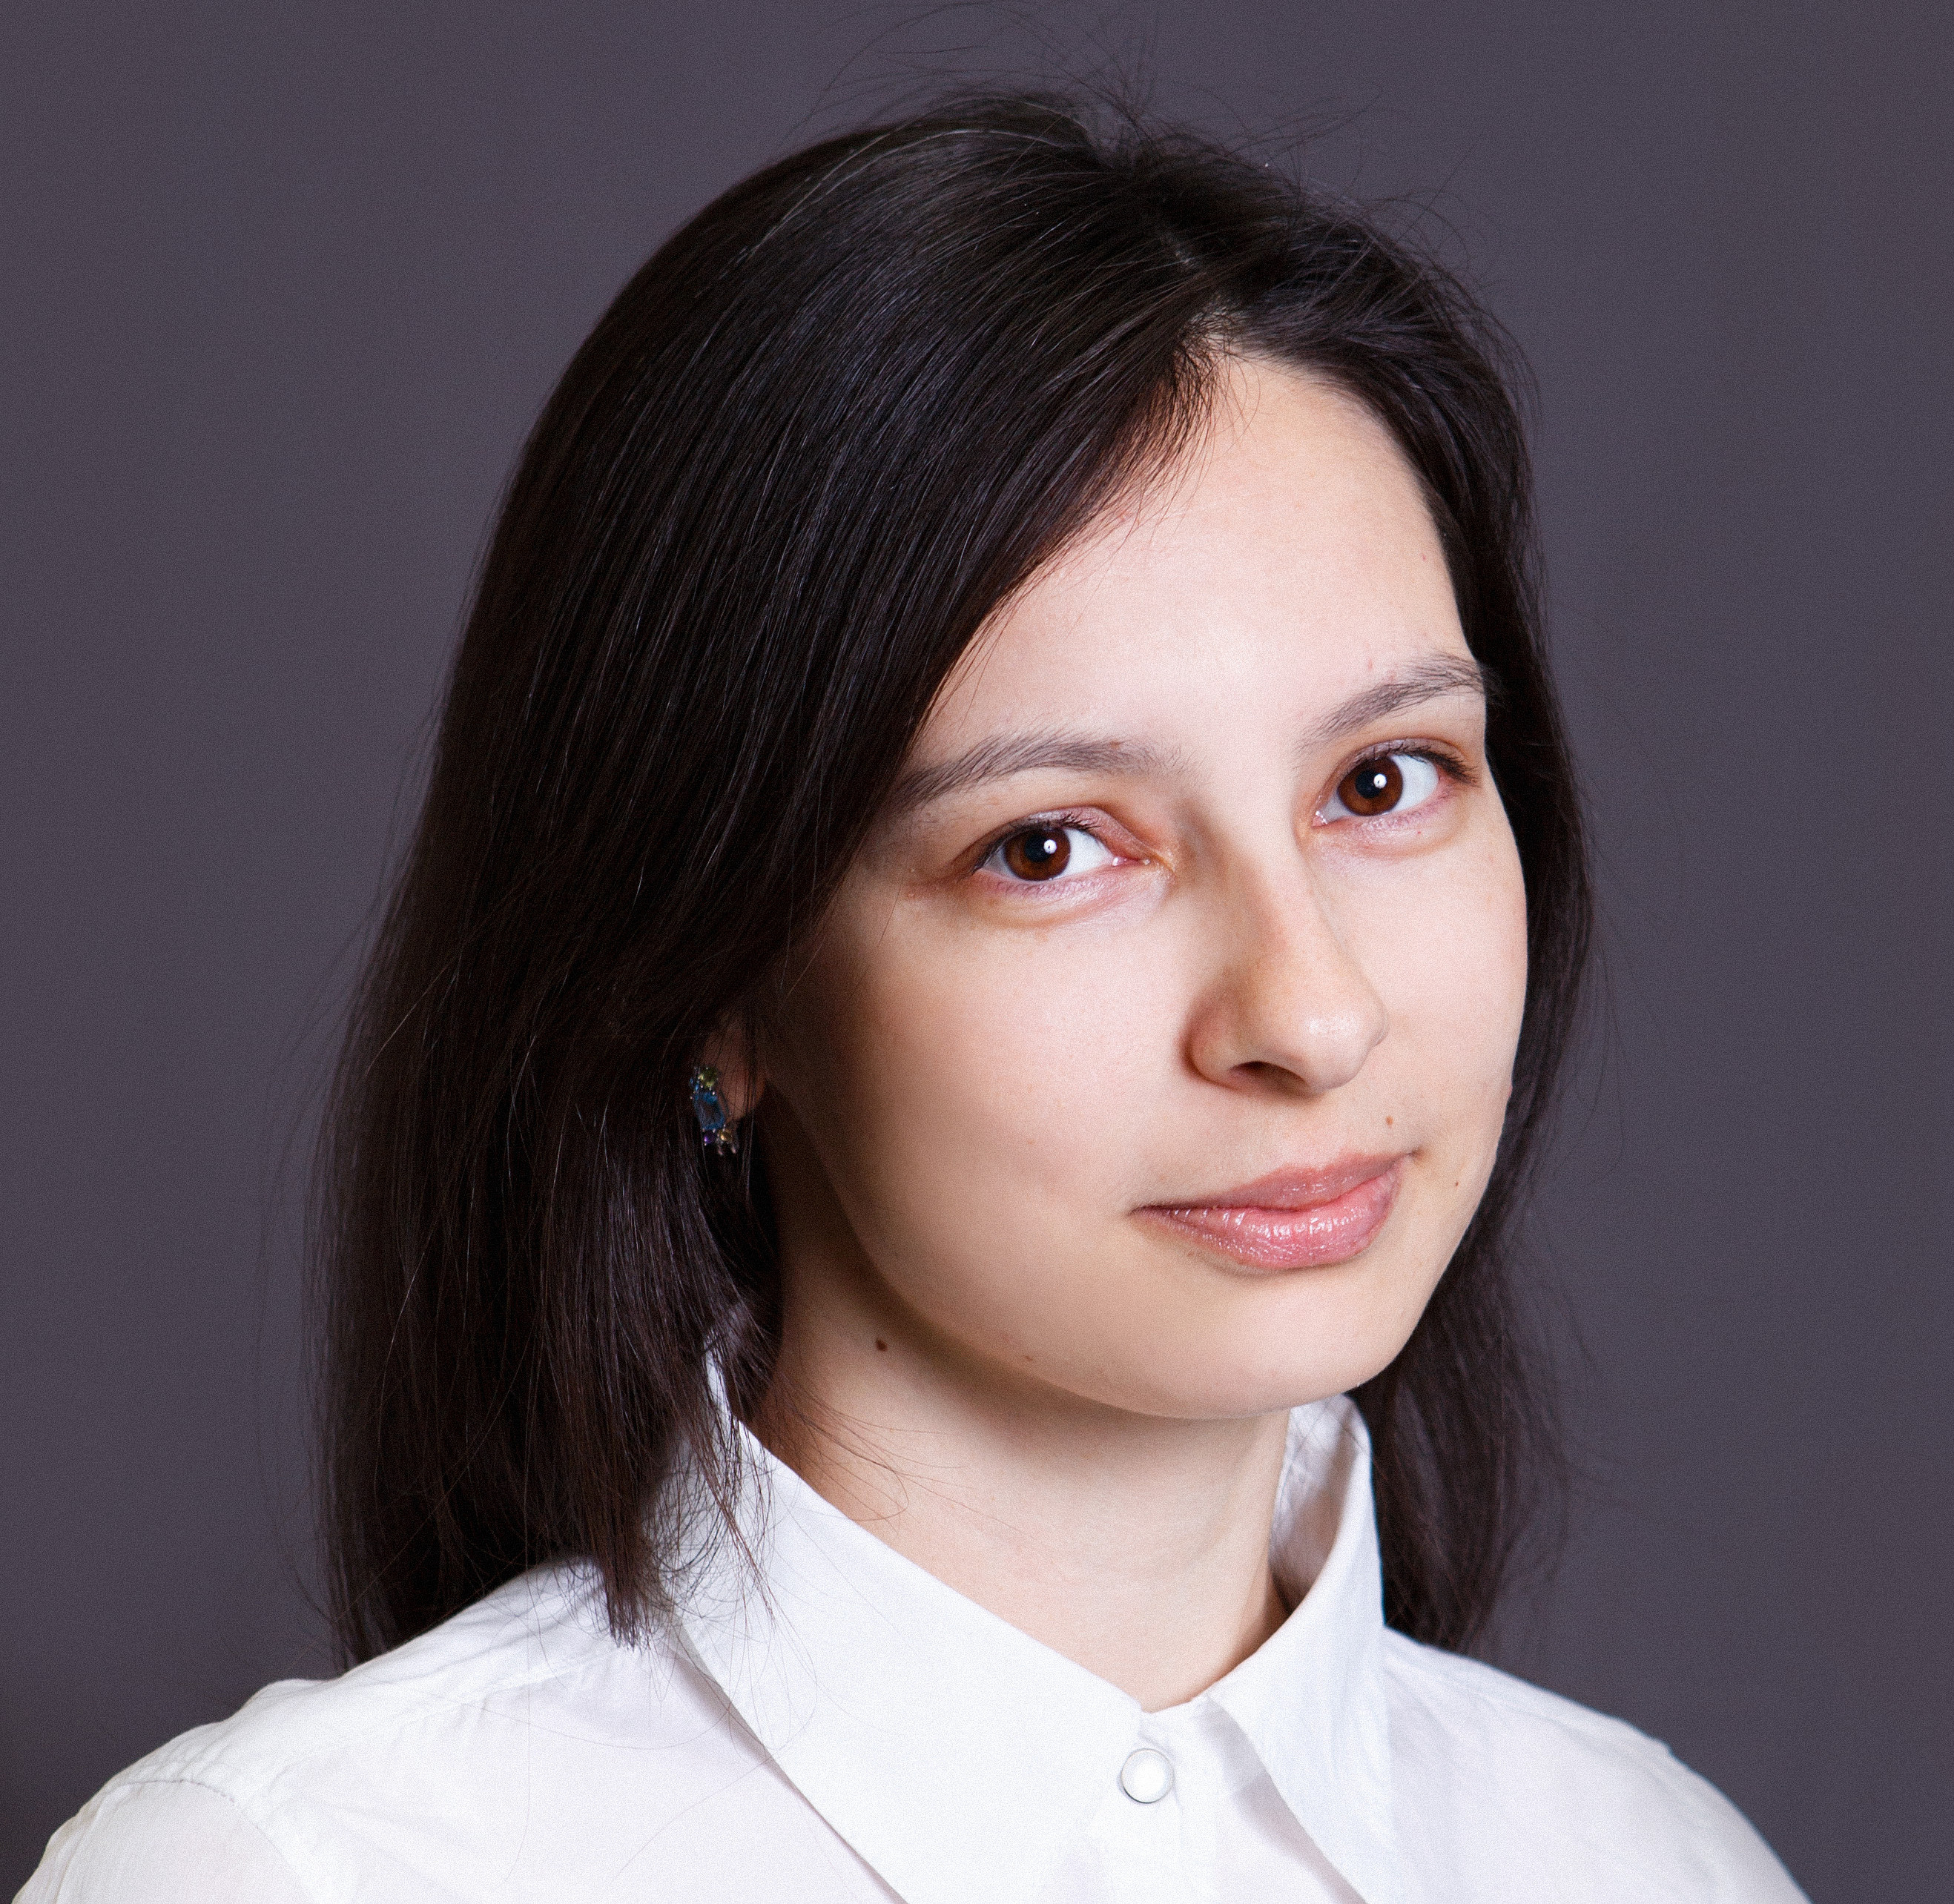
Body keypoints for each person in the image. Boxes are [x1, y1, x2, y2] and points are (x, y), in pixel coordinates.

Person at [22, 93, 1806, 1902]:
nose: (1310, 1015)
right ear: (717, 972)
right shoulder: (300, 1873)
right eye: (1049, 847)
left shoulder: (1651, 1865)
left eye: (1381, 780)